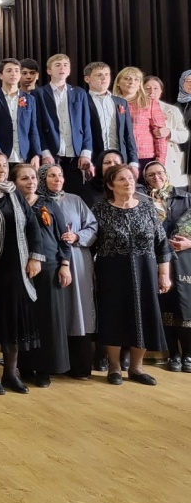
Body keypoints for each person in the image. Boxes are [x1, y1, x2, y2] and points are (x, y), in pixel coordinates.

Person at [92, 164, 173, 385]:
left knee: (144, 315)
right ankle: (114, 367)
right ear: (110, 185)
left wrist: (164, 274)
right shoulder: (100, 209)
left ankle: (136, 368)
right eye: (121, 179)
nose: (128, 182)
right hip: (111, 272)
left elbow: (162, 243)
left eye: (130, 178)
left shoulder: (147, 208)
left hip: (145, 270)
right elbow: (90, 244)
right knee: (113, 316)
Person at [0, 150, 43, 395]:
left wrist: (35, 256)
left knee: (14, 322)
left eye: (4, 165)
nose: (1, 169)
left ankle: (11, 374)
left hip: (17, 269)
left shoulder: (14, 193)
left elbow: (32, 225)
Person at [38, 163, 99, 379]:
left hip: (76, 259)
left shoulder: (75, 200)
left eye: (60, 175)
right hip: (49, 260)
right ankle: (53, 364)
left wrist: (77, 236)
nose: (57, 179)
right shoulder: (37, 202)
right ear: (42, 179)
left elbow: (92, 226)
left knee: (78, 309)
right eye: (51, 176)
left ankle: (79, 365)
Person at [13, 163, 72, 388]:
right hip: (19, 268)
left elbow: (64, 237)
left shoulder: (50, 204)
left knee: (48, 319)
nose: (30, 182)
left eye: (33, 178)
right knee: (25, 318)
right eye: (24, 178)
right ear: (14, 182)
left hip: (49, 267)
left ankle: (45, 368)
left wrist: (64, 264)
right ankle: (25, 366)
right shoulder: (12, 204)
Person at [142, 160, 191, 373]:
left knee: (186, 306)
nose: (156, 177)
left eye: (159, 173)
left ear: (166, 173)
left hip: (185, 259)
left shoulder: (185, 197)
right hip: (158, 259)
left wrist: (190, 242)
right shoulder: (143, 200)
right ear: (145, 179)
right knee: (166, 306)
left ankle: (188, 354)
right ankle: (173, 354)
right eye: (151, 175)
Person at [33, 54, 92, 195]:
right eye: (58, 65)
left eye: (65, 65)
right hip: (52, 154)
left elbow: (86, 124)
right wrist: (44, 152)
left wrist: (86, 152)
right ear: (49, 70)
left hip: (75, 154)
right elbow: (36, 126)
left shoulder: (79, 92)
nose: (62, 68)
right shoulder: (39, 93)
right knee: (50, 194)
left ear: (69, 70)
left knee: (75, 193)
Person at [0, 58, 42, 168]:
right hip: (1, 156)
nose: (13, 74)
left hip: (24, 155)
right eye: (9, 70)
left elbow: (33, 129)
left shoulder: (29, 99)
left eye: (16, 71)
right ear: (0, 75)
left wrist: (36, 154)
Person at [84, 61, 139, 172]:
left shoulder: (121, 102)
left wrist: (133, 161)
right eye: (99, 75)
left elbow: (128, 134)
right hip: (94, 159)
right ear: (87, 79)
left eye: (107, 74)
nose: (104, 78)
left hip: (119, 158)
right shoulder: (82, 101)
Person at [113, 66, 168, 174]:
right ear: (118, 82)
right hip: (118, 156)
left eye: (136, 79)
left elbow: (160, 135)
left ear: (140, 84)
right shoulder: (110, 103)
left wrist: (160, 161)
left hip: (145, 157)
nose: (132, 82)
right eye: (127, 78)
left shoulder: (150, 103)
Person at [145, 76, 189, 187]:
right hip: (144, 156)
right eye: (147, 88)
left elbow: (184, 135)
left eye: (156, 88)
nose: (152, 92)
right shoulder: (134, 109)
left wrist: (169, 132)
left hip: (168, 158)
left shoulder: (172, 110)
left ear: (161, 91)